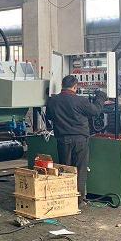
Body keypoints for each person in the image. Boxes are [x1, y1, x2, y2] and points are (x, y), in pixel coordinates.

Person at [45, 75, 107, 204]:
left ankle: (66, 198)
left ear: (62, 85)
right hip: (79, 140)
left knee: (65, 169)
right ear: (75, 87)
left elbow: (49, 116)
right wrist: (101, 97)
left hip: (62, 140)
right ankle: (78, 200)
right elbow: (95, 111)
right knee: (80, 169)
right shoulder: (80, 101)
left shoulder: (53, 100)